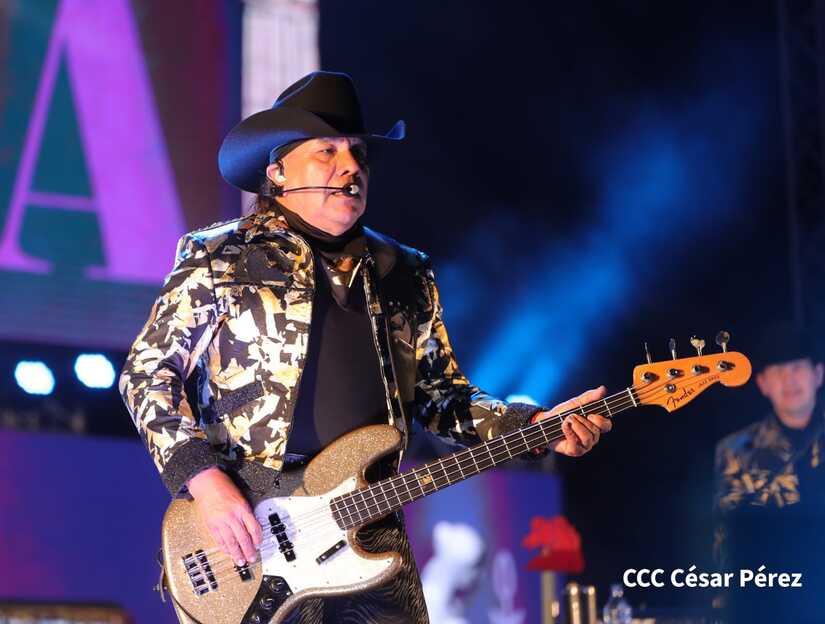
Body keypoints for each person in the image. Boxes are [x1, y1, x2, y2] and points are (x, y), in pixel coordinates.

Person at [119, 71, 611, 624]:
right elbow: (147, 374)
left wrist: (534, 425)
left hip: (371, 527)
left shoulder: (404, 271)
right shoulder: (222, 256)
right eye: (327, 151)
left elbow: (443, 399)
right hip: (251, 530)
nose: (350, 166)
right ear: (278, 172)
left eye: (357, 153)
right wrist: (204, 481)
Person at [713, 323, 825, 623]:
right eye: (778, 371)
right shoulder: (737, 451)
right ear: (763, 383)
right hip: (771, 600)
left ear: (818, 374)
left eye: (797, 367)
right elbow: (726, 541)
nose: (789, 379)